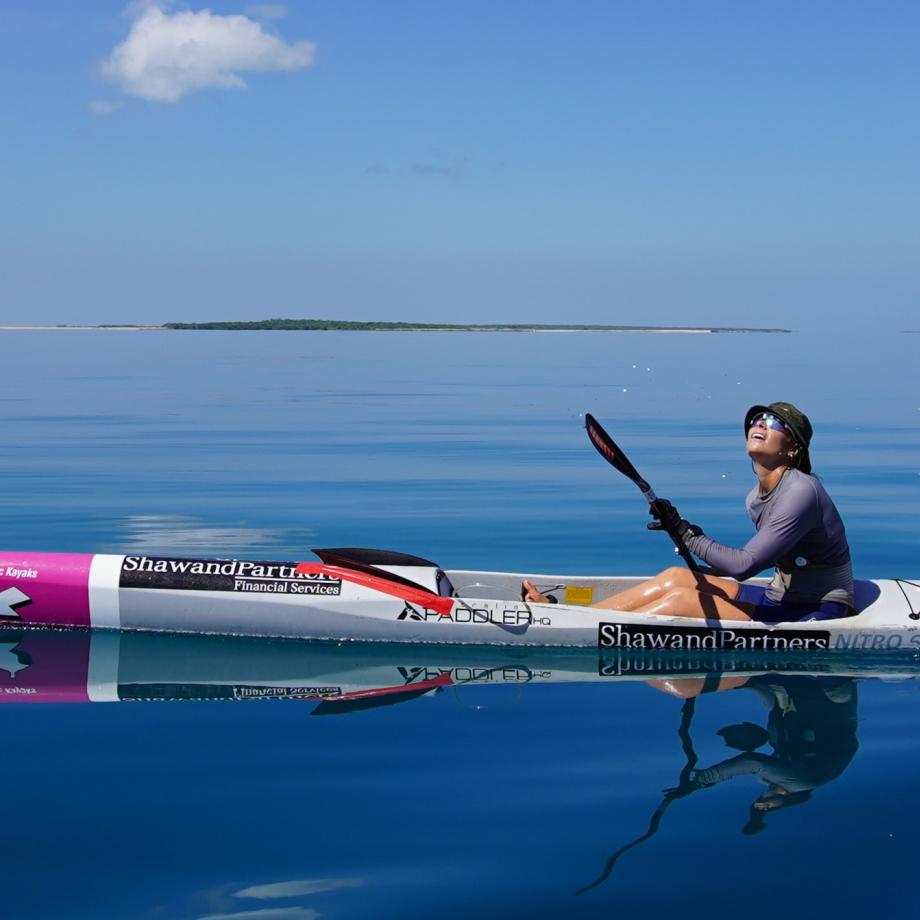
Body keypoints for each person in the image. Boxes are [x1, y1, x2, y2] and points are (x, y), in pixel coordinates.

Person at [523, 401, 855, 623]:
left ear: (793, 448)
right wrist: (695, 558)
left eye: (774, 423)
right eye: (757, 419)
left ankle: (567, 624)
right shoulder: (755, 497)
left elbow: (744, 565)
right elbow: (762, 561)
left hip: (819, 609)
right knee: (677, 578)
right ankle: (569, 617)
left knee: (683, 601)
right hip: (779, 597)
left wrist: (687, 534)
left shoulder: (800, 491)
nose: (760, 424)